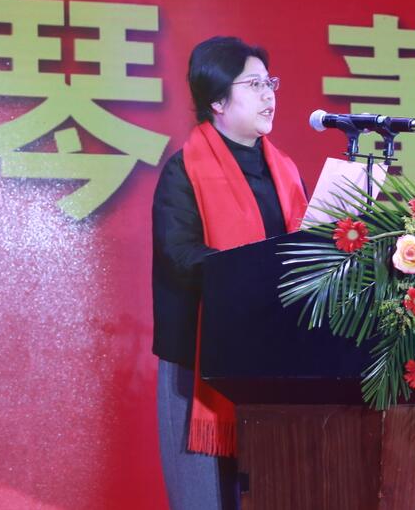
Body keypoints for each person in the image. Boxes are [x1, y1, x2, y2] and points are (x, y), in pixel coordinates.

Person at [151, 36, 308, 510]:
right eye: (254, 85)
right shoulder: (184, 171)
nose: (268, 95)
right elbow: (180, 255)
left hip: (274, 359)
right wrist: (251, 272)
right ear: (217, 101)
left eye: (270, 83)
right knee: (205, 498)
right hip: (199, 360)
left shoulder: (285, 171)